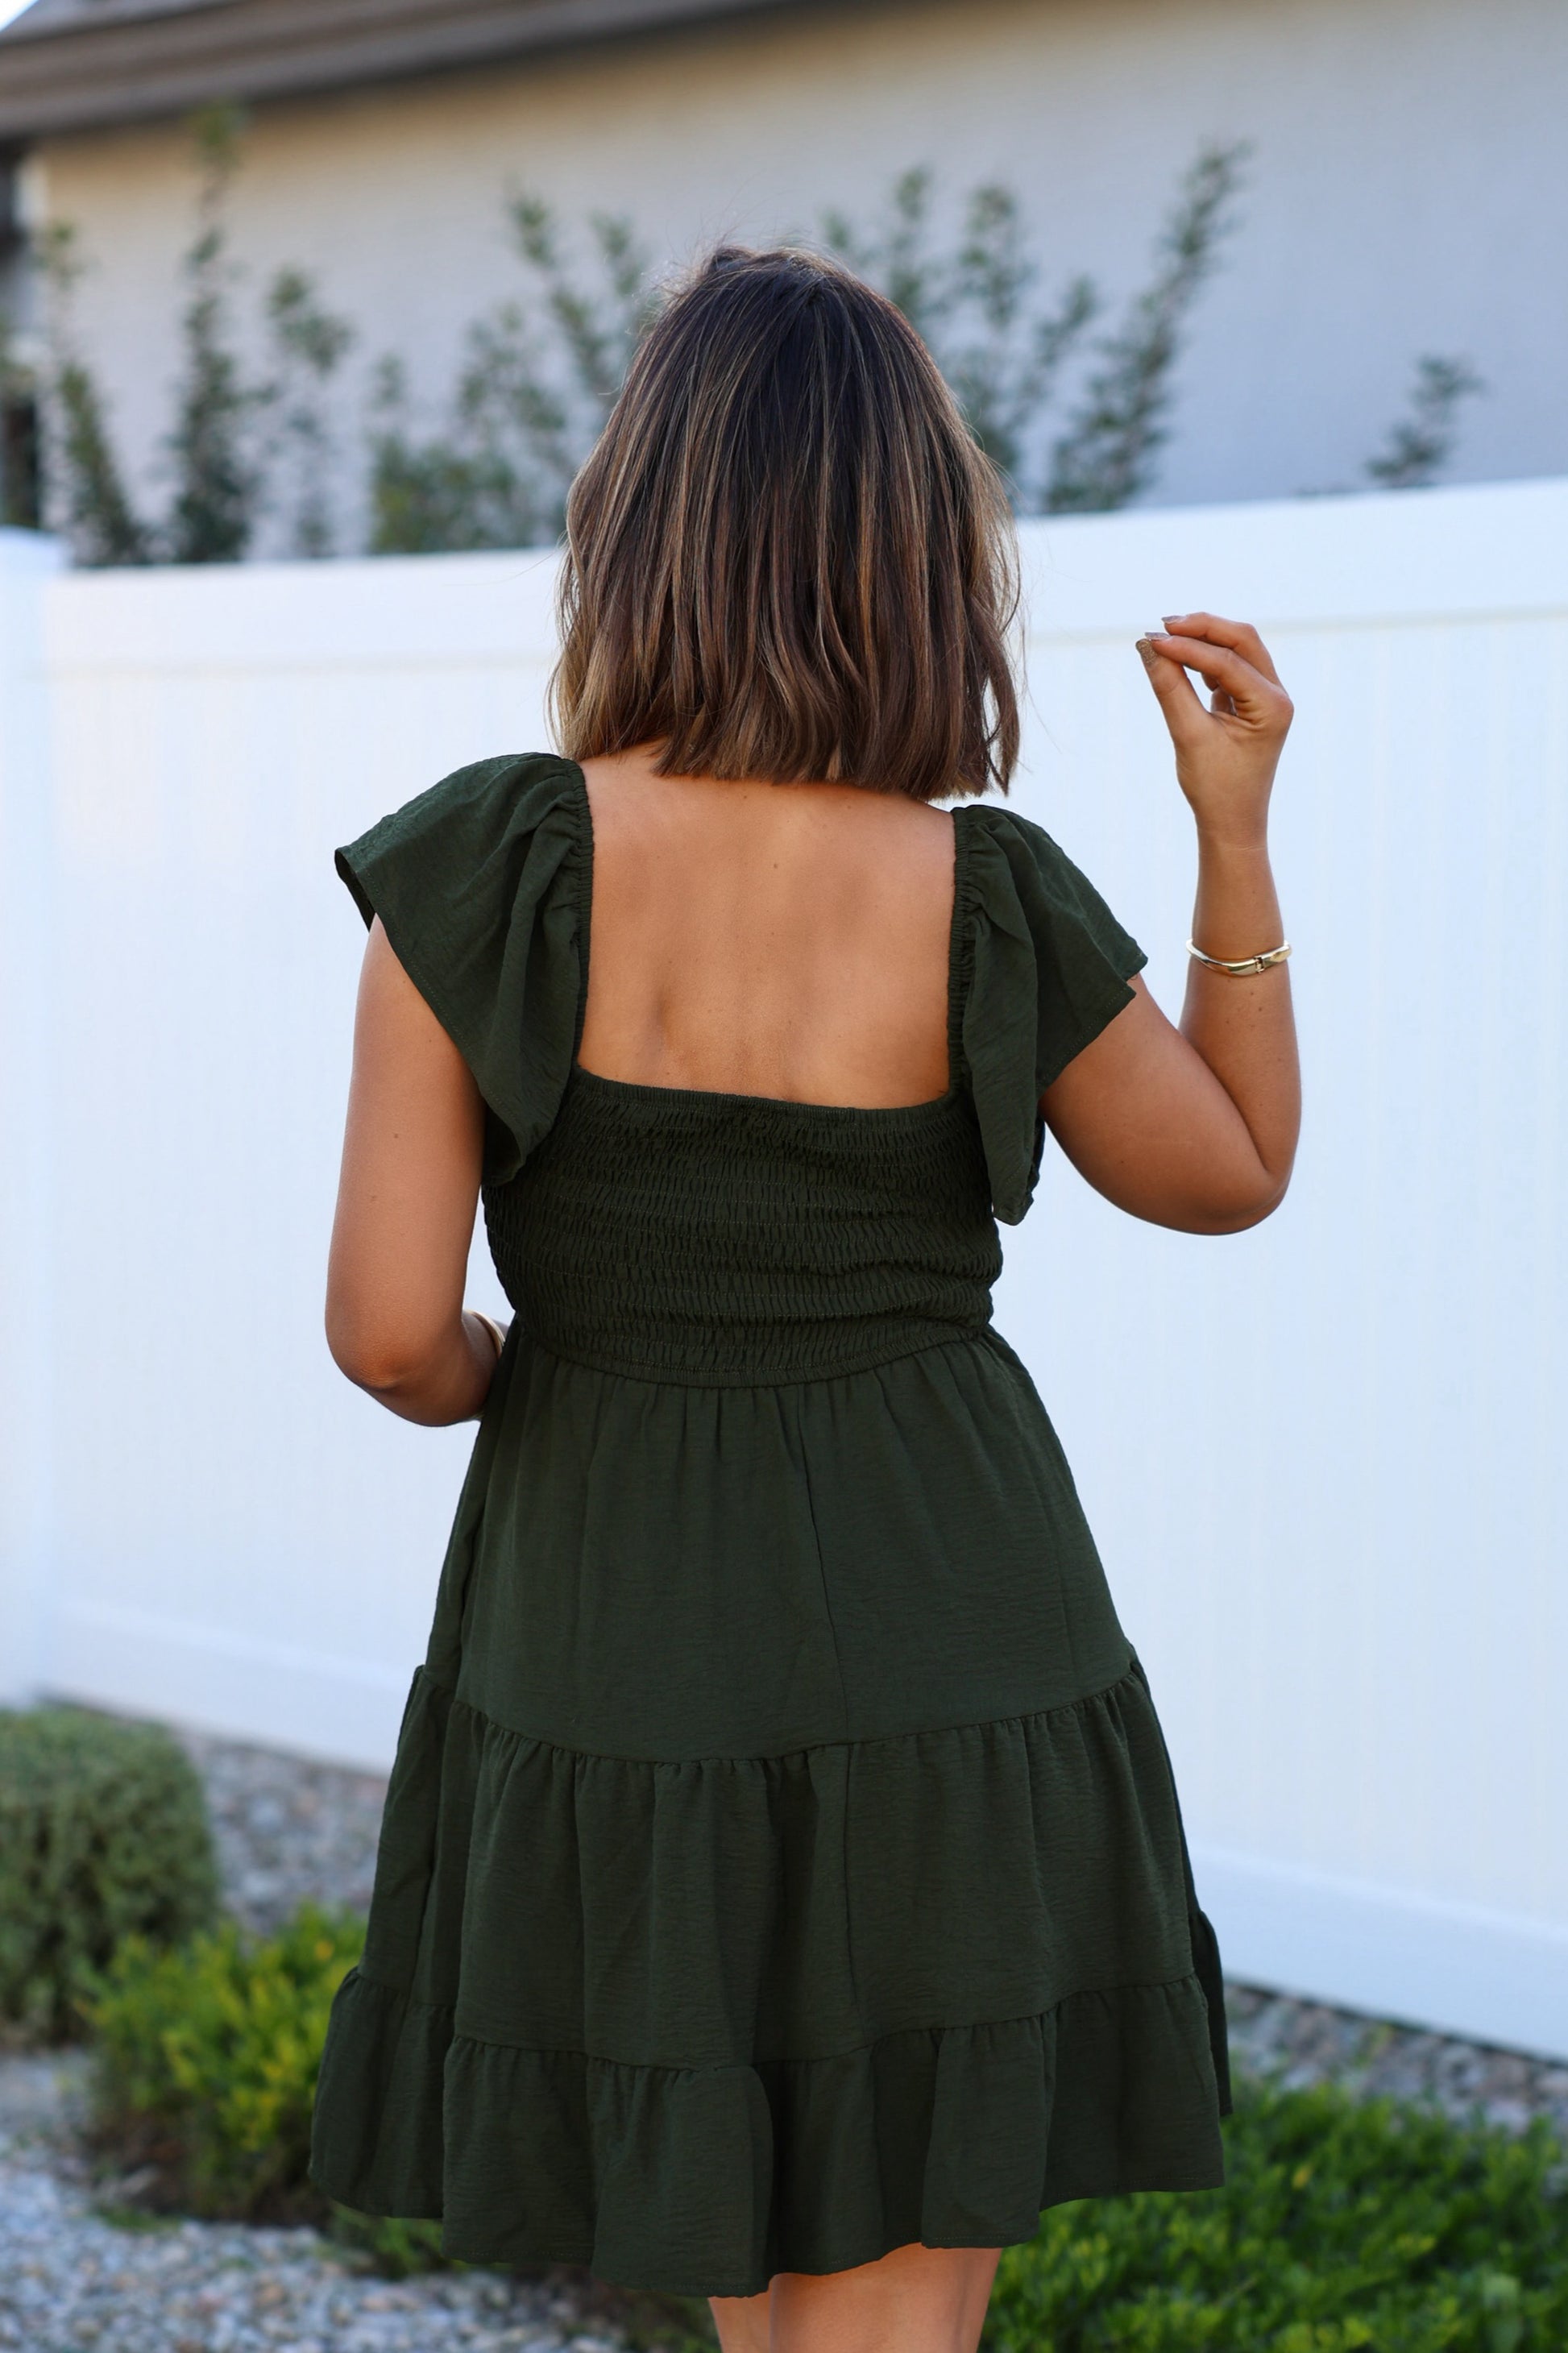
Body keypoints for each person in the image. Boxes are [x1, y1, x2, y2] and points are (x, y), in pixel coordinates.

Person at [309, 244, 1298, 2353]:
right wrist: (1233, 841)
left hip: (616, 1625)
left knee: (754, 2308)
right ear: (913, 559)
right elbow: (1226, 1176)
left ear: (636, 524)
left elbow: (390, 1331)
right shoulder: (986, 892)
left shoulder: (495, 865)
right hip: (947, 1622)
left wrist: (513, 1372)